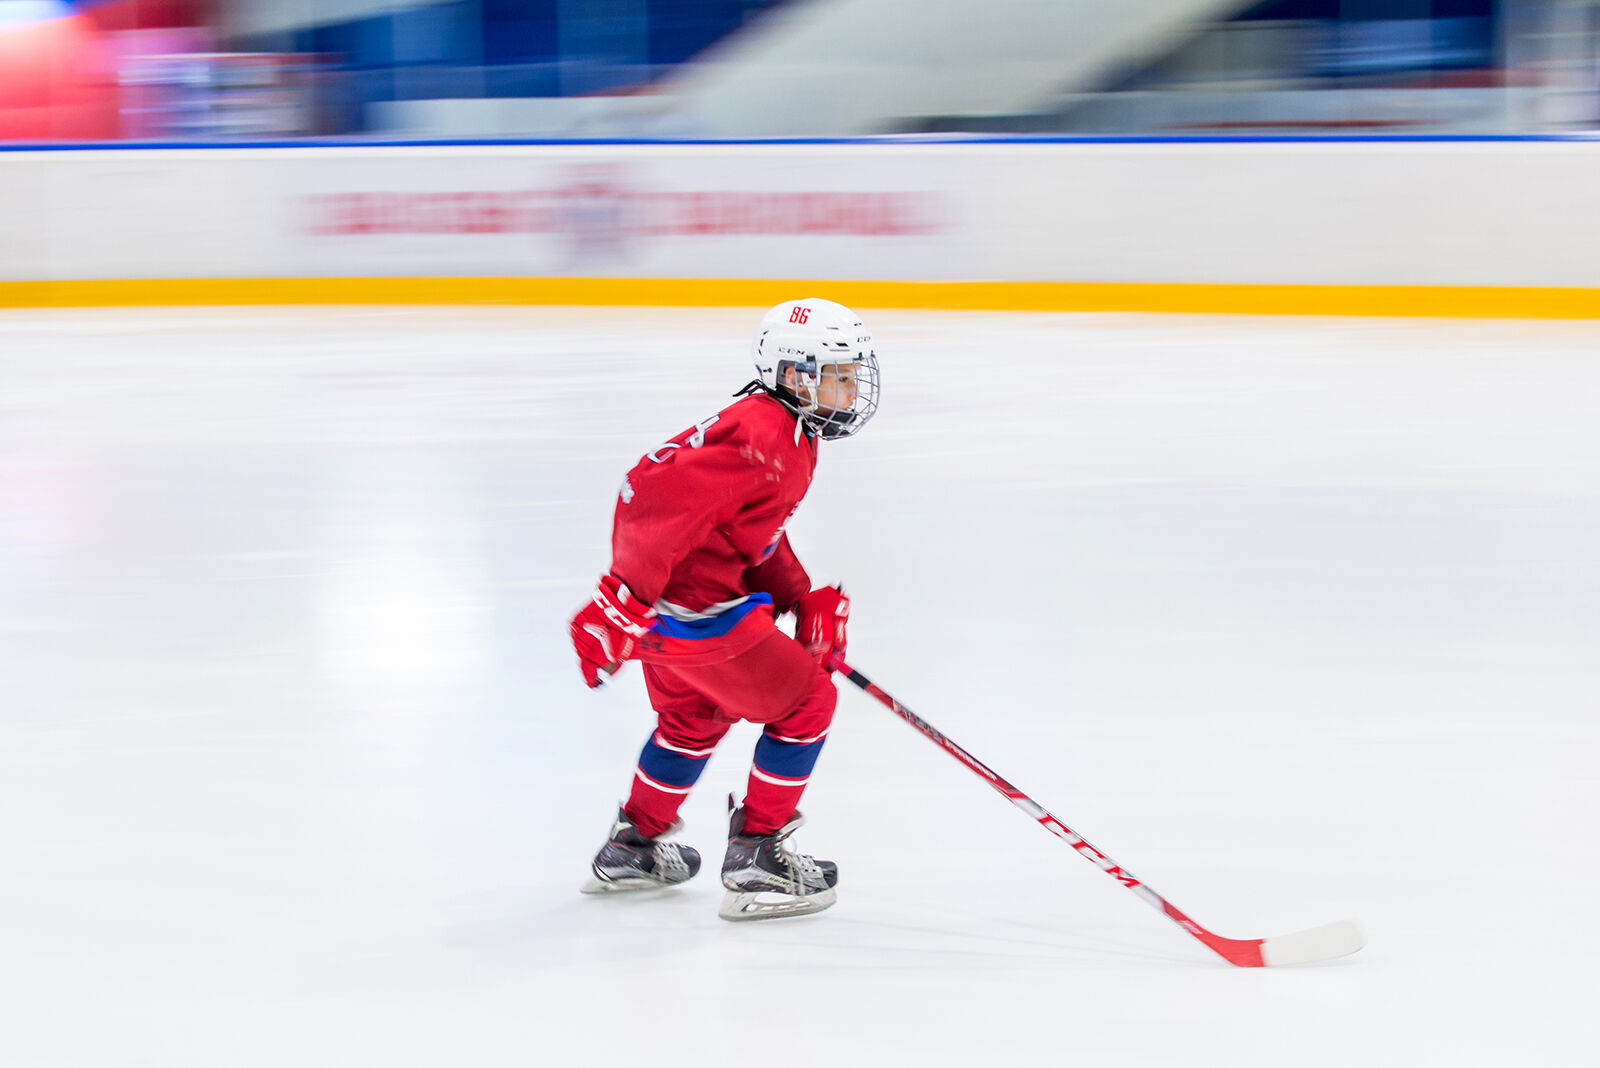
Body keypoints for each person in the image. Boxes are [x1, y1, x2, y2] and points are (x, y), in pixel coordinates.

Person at [568, 298, 880, 921]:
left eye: (852, 374)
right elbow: (651, 498)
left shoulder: (779, 428)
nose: (850, 388)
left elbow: (747, 532)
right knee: (806, 705)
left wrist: (797, 597)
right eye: (837, 374)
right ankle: (757, 857)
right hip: (695, 612)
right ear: (796, 375)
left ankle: (632, 848)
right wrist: (622, 594)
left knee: (692, 724)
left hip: (666, 616)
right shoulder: (769, 436)